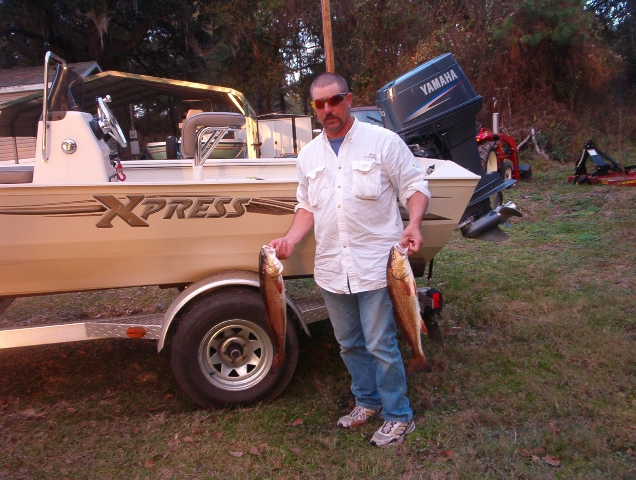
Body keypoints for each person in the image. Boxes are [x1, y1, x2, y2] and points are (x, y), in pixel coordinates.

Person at [269, 72, 430, 447]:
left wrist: (416, 224)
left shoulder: (383, 142)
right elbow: (306, 206)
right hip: (331, 268)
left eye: (334, 100)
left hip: (379, 267)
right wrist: (291, 239)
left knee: (380, 344)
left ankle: (398, 415)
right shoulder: (309, 155)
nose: (328, 109)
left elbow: (415, 187)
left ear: (349, 99)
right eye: (319, 104)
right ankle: (368, 401)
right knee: (349, 343)